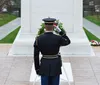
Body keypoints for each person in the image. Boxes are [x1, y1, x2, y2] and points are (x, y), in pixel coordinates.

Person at [34, 17, 71, 85]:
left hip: (44, 65)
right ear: (54, 27)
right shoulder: (58, 38)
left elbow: (36, 55)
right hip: (55, 65)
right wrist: (60, 31)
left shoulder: (38, 39)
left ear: (45, 26)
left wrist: (37, 69)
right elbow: (68, 41)